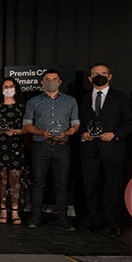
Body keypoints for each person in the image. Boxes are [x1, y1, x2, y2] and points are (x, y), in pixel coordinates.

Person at [80, 63, 132, 237]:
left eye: (103, 73)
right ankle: (96, 221)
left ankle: (113, 223)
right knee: (91, 187)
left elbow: (130, 121)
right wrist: (83, 134)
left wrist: (115, 134)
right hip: (90, 150)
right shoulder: (84, 98)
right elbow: (80, 122)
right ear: (89, 78)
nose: (99, 76)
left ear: (110, 76)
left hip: (113, 150)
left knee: (112, 187)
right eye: (95, 74)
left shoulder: (120, 97)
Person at [23, 69, 80, 230]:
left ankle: (62, 218)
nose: (51, 82)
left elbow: (76, 124)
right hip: (41, 146)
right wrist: (41, 132)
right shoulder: (33, 102)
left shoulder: (70, 101)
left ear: (60, 82)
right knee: (38, 184)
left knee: (62, 184)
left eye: (54, 79)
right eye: (47, 79)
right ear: (42, 82)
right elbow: (27, 125)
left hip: (62, 147)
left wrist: (67, 133)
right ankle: (35, 217)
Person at [0, 77, 27, 225]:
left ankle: (15, 210)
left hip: (16, 146)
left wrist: (16, 131)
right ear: (1, 89)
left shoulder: (22, 107)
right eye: (5, 86)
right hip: (0, 147)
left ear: (16, 88)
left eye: (11, 86)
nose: (8, 89)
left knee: (15, 179)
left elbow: (28, 128)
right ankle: (2, 210)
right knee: (1, 179)